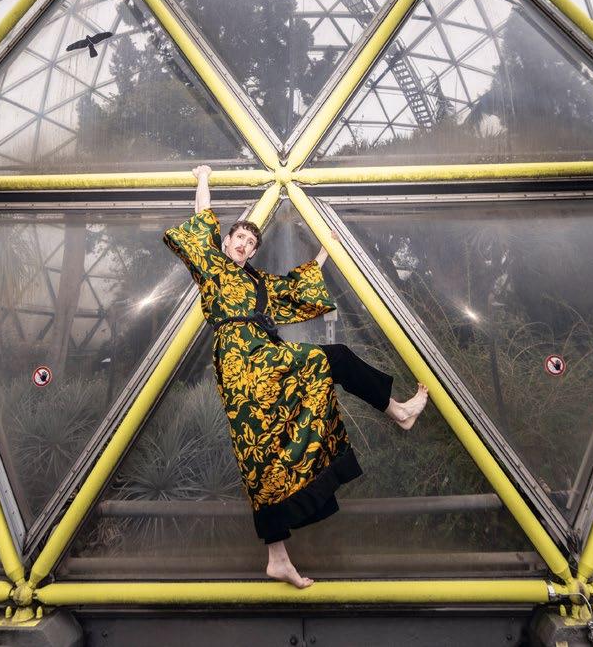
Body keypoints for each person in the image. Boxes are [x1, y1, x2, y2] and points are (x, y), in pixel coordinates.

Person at [163, 165, 429, 588]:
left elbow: (295, 289)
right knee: (259, 451)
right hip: (239, 363)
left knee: (323, 373)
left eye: (251, 242)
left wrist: (324, 252)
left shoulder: (258, 284)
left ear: (252, 251)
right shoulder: (211, 266)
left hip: (267, 358)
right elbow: (201, 219)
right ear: (226, 242)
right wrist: (203, 178)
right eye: (239, 238)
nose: (244, 244)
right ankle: (397, 413)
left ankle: (396, 411)